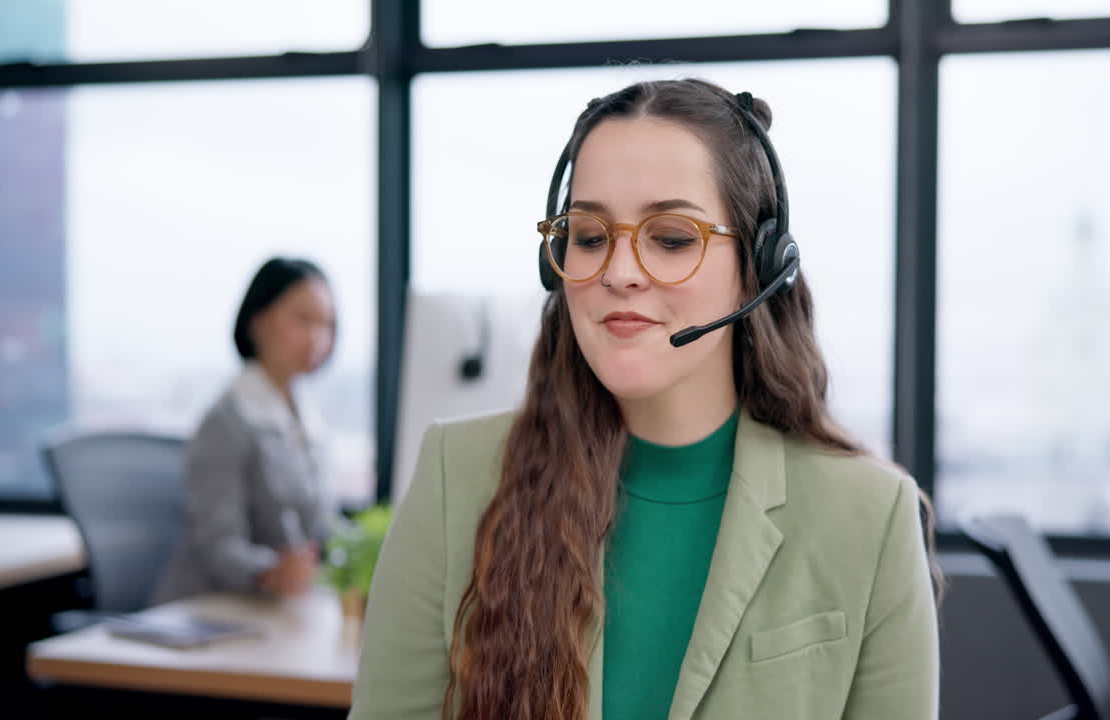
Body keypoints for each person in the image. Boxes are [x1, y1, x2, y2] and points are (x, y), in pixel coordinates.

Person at [351, 79, 940, 720]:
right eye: (589, 235)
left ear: (758, 264)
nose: (621, 271)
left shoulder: (871, 515)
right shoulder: (454, 474)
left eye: (671, 238)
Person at [155, 257, 337, 602]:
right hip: (208, 611)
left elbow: (321, 531)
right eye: (303, 319)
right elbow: (218, 544)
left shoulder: (311, 425)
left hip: (277, 611)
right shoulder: (225, 422)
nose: (316, 337)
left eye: (326, 324)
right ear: (259, 320)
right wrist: (270, 570)